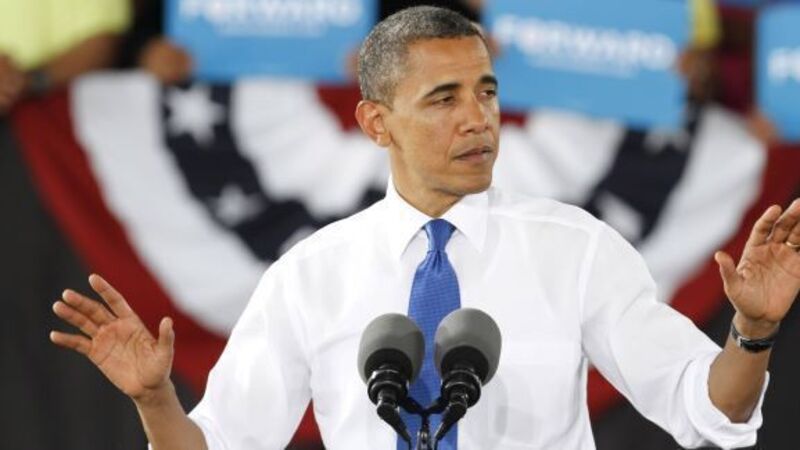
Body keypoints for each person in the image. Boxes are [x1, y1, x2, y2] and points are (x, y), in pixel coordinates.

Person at [50, 6, 800, 449]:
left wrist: (754, 331)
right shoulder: (310, 274)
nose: (477, 119)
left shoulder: (577, 249)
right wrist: (155, 400)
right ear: (376, 122)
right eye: (444, 98)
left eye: (487, 92)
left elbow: (709, 410)